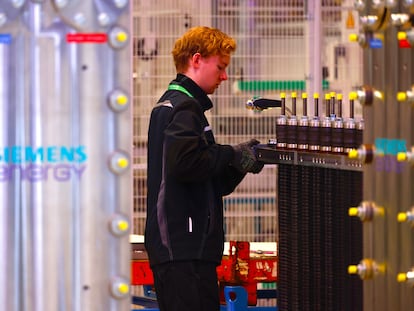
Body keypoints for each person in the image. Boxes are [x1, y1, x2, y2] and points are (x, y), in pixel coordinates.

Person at [144, 26, 264, 311]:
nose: (224, 76)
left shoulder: (174, 105)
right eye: (220, 67)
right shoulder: (184, 108)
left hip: (184, 249)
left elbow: (206, 177)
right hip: (183, 251)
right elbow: (185, 164)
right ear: (196, 60)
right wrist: (231, 154)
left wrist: (239, 164)